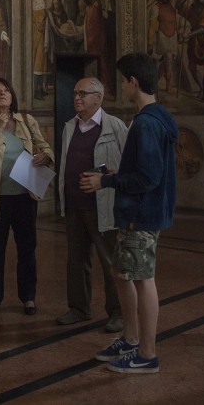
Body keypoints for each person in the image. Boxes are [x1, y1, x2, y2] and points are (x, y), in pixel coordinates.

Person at [80, 53, 178, 374]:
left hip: (140, 213)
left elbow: (148, 178)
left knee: (141, 278)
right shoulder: (155, 118)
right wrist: (119, 170)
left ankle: (146, 354)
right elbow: (145, 169)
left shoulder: (147, 123)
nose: (123, 86)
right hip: (139, 211)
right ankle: (131, 338)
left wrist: (106, 180)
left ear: (133, 82)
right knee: (122, 274)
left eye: (124, 81)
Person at [0, 78, 54, 316]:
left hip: (24, 196)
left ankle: (28, 297)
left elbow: (44, 146)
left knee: (27, 247)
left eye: (6, 90)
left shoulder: (26, 121)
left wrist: (45, 157)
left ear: (12, 96)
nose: (2, 94)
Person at [56, 77, 127, 333]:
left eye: (83, 93)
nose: (77, 97)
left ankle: (118, 312)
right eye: (75, 93)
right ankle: (78, 308)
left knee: (110, 261)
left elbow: (128, 167)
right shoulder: (69, 127)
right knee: (76, 260)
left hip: (102, 205)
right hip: (75, 204)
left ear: (98, 97)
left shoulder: (115, 127)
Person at [176, 0, 204, 102]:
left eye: (199, 7)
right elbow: (178, 6)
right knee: (192, 67)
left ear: (203, 6)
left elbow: (203, 29)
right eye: (196, 6)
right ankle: (202, 89)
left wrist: (188, 34)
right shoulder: (191, 10)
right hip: (194, 42)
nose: (197, 9)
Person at [148, 0, 179, 94]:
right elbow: (152, 26)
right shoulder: (155, 8)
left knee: (168, 61)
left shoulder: (172, 6)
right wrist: (150, 42)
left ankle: (166, 85)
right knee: (163, 60)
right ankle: (160, 85)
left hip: (173, 36)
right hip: (162, 36)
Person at [32, 0, 49, 100]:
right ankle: (37, 91)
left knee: (40, 63)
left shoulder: (35, 1)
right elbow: (41, 22)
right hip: (40, 34)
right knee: (38, 63)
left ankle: (39, 89)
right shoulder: (40, 1)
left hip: (36, 34)